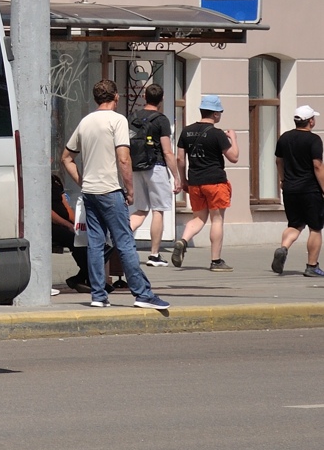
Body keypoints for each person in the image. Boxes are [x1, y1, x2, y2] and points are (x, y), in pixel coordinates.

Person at [60, 78, 170, 311]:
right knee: (125, 242)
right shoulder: (117, 120)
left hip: (90, 192)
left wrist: (82, 180)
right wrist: (130, 190)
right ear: (116, 97)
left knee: (96, 244)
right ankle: (142, 293)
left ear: (95, 99)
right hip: (110, 190)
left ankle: (98, 295)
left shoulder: (85, 122)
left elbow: (66, 158)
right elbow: (123, 158)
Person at [172, 94, 241, 271]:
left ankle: (183, 240)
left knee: (198, 218)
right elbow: (234, 157)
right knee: (216, 220)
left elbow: (180, 158)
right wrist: (233, 138)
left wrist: (182, 179)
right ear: (216, 114)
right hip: (215, 181)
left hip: (195, 181)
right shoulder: (217, 134)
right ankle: (216, 261)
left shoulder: (186, 131)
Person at [128, 83, 181, 267]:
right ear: (162, 99)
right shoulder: (161, 120)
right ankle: (154, 255)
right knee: (158, 210)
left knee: (141, 209)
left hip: (137, 167)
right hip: (156, 167)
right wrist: (176, 176)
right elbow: (167, 151)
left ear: (144, 96)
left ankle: (119, 240)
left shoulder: (133, 117)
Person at [273, 105, 324, 276]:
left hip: (290, 189)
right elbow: (317, 166)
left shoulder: (284, 138)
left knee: (295, 225)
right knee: (315, 228)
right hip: (310, 190)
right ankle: (312, 266)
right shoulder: (314, 140)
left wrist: (282, 180)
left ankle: (283, 248)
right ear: (310, 121)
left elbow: (278, 161)